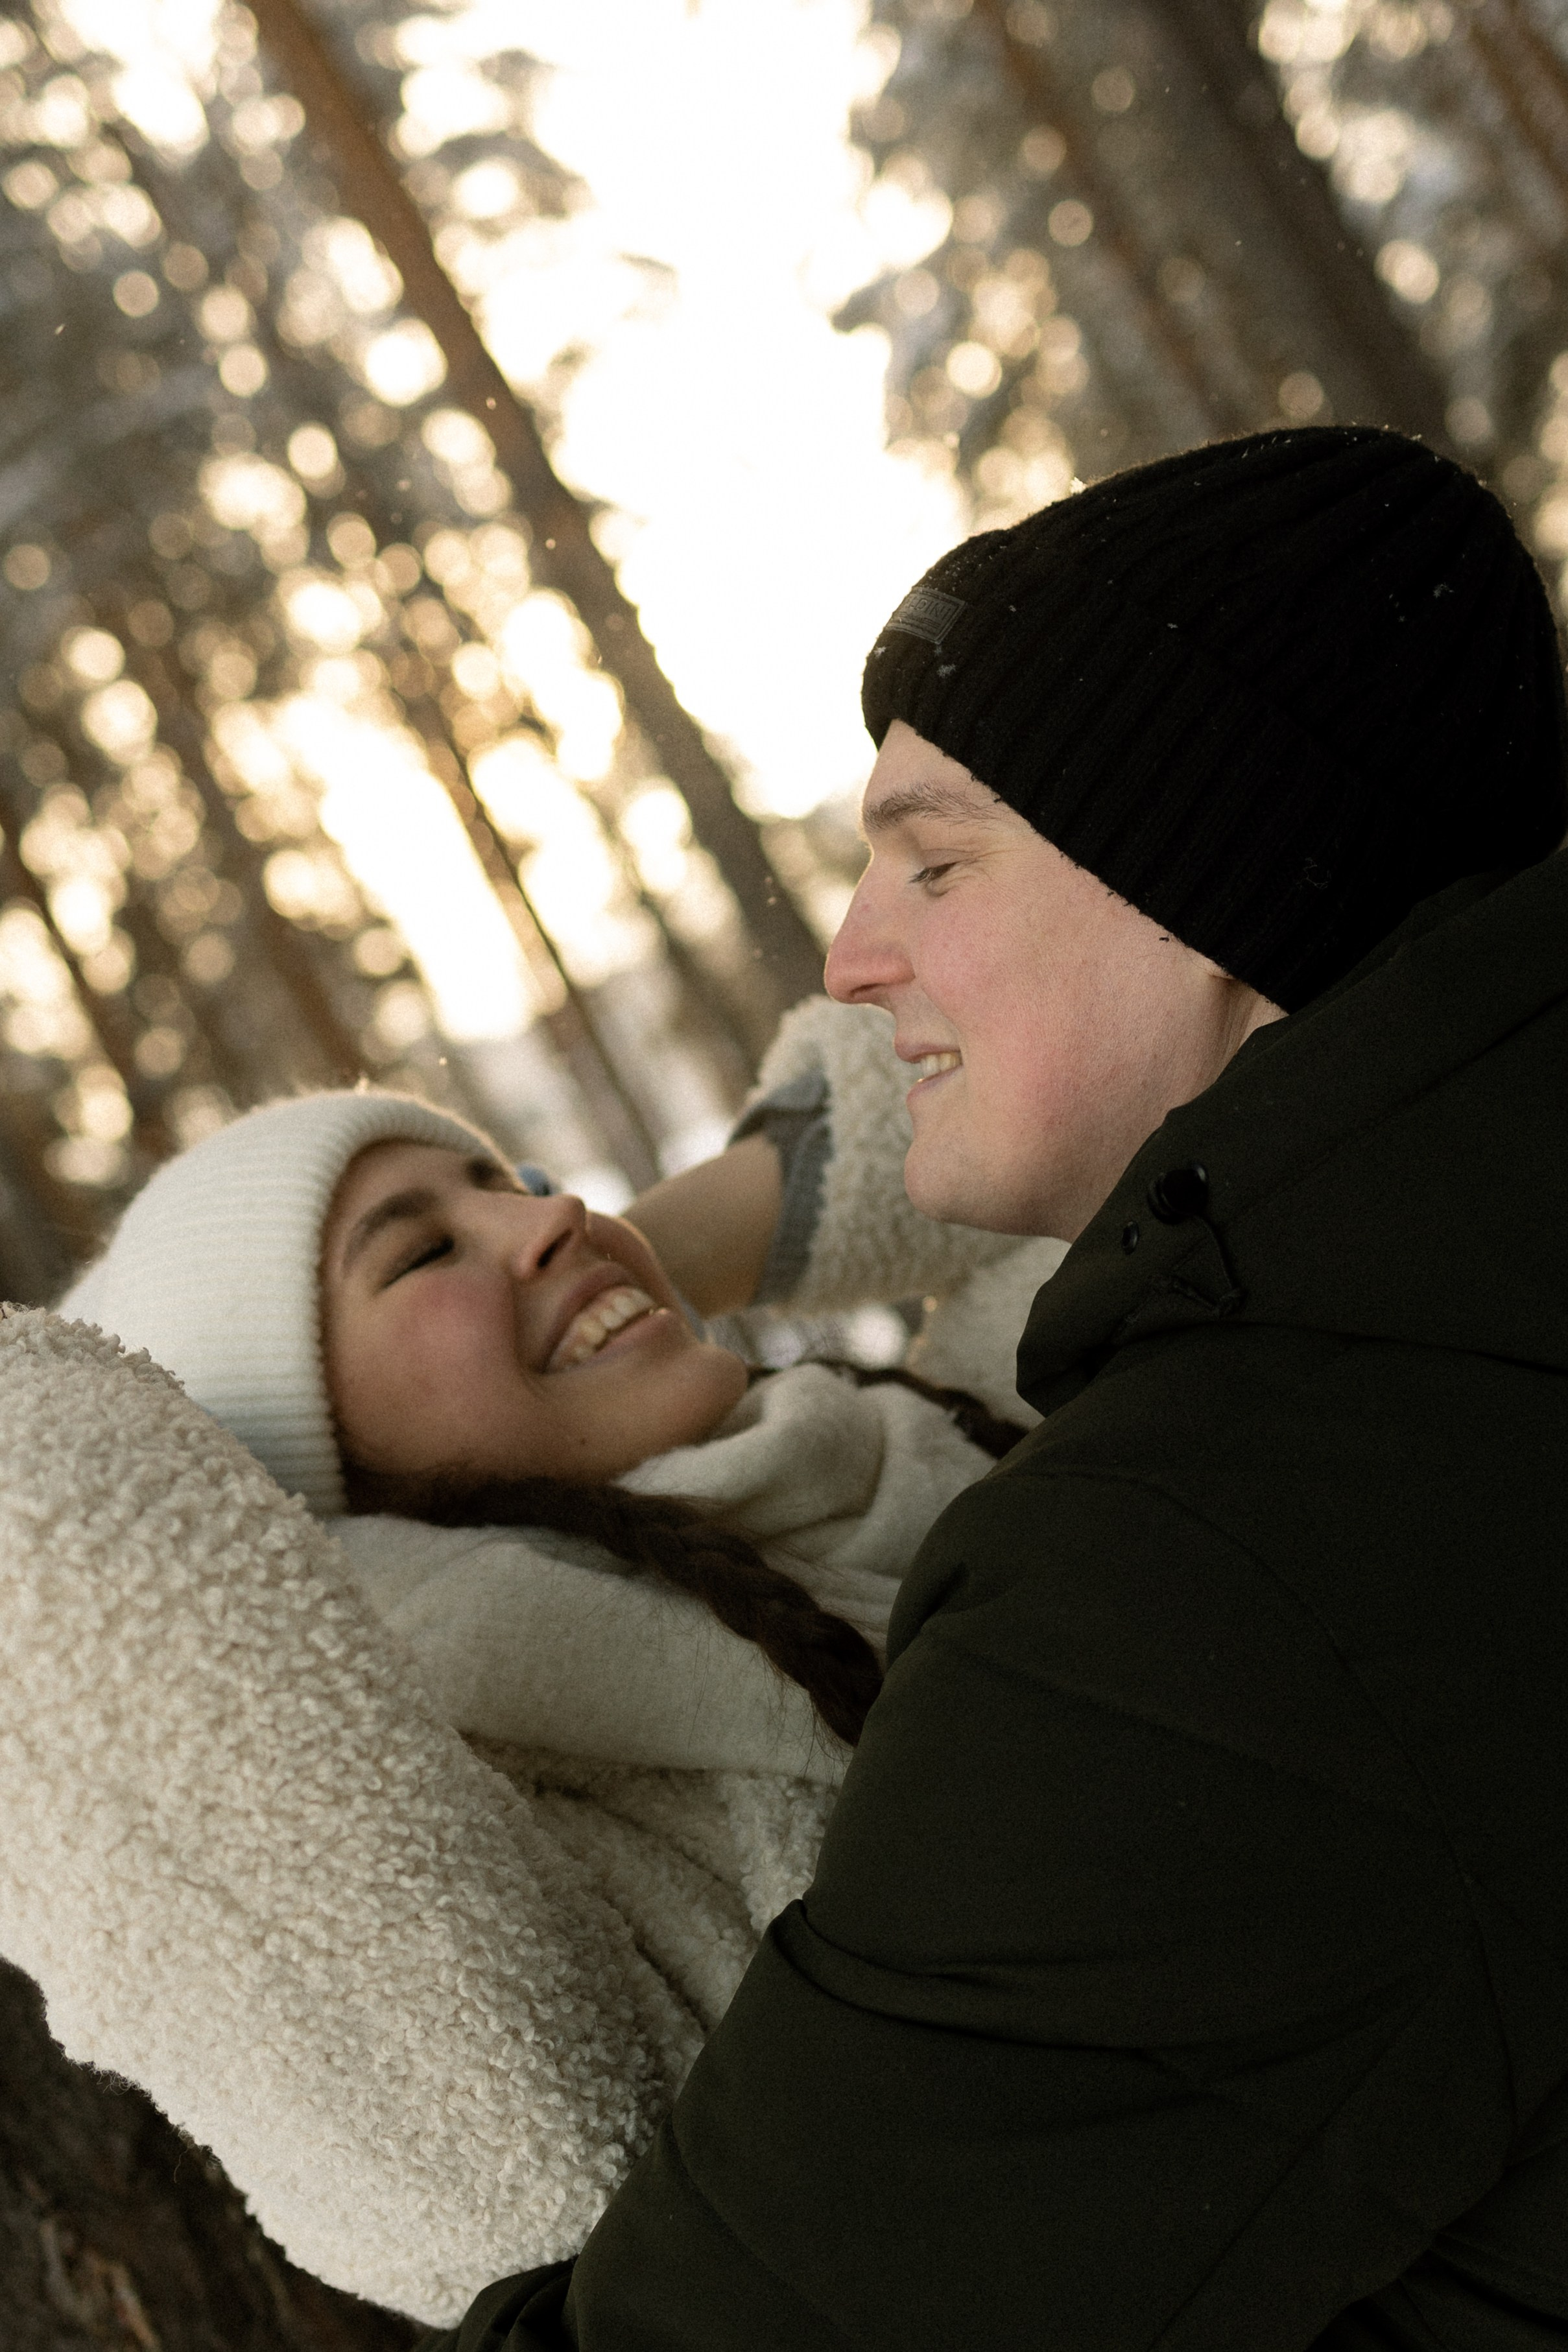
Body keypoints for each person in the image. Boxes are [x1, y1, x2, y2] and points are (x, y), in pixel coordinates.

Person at [423, 422, 1568, 2351]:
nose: (855, 960)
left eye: (934, 862)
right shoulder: (1451, 1281)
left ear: (1211, 874)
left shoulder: (1219, 1554)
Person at [0, 1035, 1049, 2322]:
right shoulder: (489, 1876)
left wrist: (618, 1271)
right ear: (309, 1480)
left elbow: (1108, 1081)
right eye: (422, 1249)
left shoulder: (940, 1427)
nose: (554, 1209)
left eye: (518, 1175)